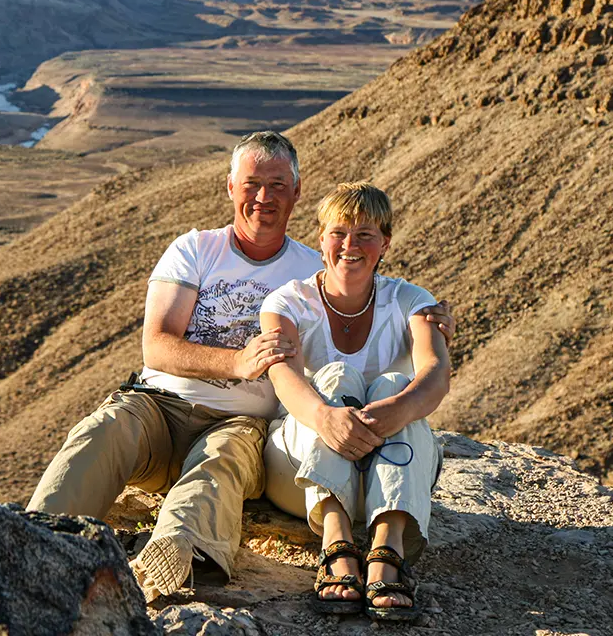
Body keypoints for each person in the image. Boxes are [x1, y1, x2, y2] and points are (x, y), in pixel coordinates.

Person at [26, 132, 454, 604]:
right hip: (158, 406)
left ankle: (174, 563)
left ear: (296, 191)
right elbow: (156, 347)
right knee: (101, 430)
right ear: (231, 187)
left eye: (277, 184)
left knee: (219, 466)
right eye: (252, 183)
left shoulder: (317, 269)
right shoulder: (196, 250)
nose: (263, 197)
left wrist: (432, 321)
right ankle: (33, 544)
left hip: (242, 422)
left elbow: (365, 306)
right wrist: (237, 362)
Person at [259, 181, 450, 622]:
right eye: (339, 232)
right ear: (321, 238)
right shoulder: (287, 303)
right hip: (302, 473)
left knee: (393, 385)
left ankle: (386, 547)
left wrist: (395, 410)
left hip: (387, 473)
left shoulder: (411, 300)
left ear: (385, 243)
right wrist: (326, 418)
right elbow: (285, 377)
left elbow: (435, 374)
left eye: (365, 234)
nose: (350, 245)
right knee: (336, 376)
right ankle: (336, 540)